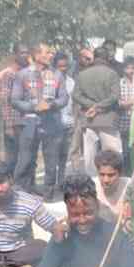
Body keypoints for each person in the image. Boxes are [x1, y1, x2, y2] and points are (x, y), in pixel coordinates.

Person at [10, 43, 69, 195]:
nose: (51, 55)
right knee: (25, 159)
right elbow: (15, 100)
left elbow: (64, 98)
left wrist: (52, 104)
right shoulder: (23, 74)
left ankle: (48, 193)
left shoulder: (57, 75)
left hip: (52, 122)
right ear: (37, 55)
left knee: (51, 160)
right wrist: (33, 107)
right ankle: (21, 191)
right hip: (29, 122)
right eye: (48, 52)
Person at [74, 45, 124, 174]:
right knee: (113, 154)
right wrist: (98, 107)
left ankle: (92, 182)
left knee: (90, 156)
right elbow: (115, 96)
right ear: (107, 58)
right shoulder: (112, 74)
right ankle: (113, 180)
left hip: (89, 119)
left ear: (94, 58)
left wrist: (92, 106)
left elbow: (76, 95)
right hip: (108, 120)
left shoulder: (82, 74)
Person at [0, 46, 29, 168]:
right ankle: (10, 183)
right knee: (12, 158)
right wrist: (9, 126)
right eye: (22, 53)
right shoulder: (10, 73)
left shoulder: (26, 72)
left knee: (25, 156)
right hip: (13, 121)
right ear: (15, 55)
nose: (25, 55)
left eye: (26, 52)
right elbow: (6, 102)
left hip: (24, 121)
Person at [55, 52, 76, 184]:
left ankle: (61, 181)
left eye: (65, 66)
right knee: (53, 156)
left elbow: (73, 103)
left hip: (68, 123)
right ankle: (51, 182)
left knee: (64, 155)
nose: (63, 68)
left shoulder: (71, 82)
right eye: (60, 66)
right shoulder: (49, 80)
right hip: (54, 125)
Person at [118, 60, 134, 173]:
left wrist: (130, 103)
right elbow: (118, 103)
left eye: (133, 68)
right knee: (125, 152)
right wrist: (133, 102)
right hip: (123, 123)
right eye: (128, 68)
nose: (131, 71)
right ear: (123, 69)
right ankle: (126, 175)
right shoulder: (119, 84)